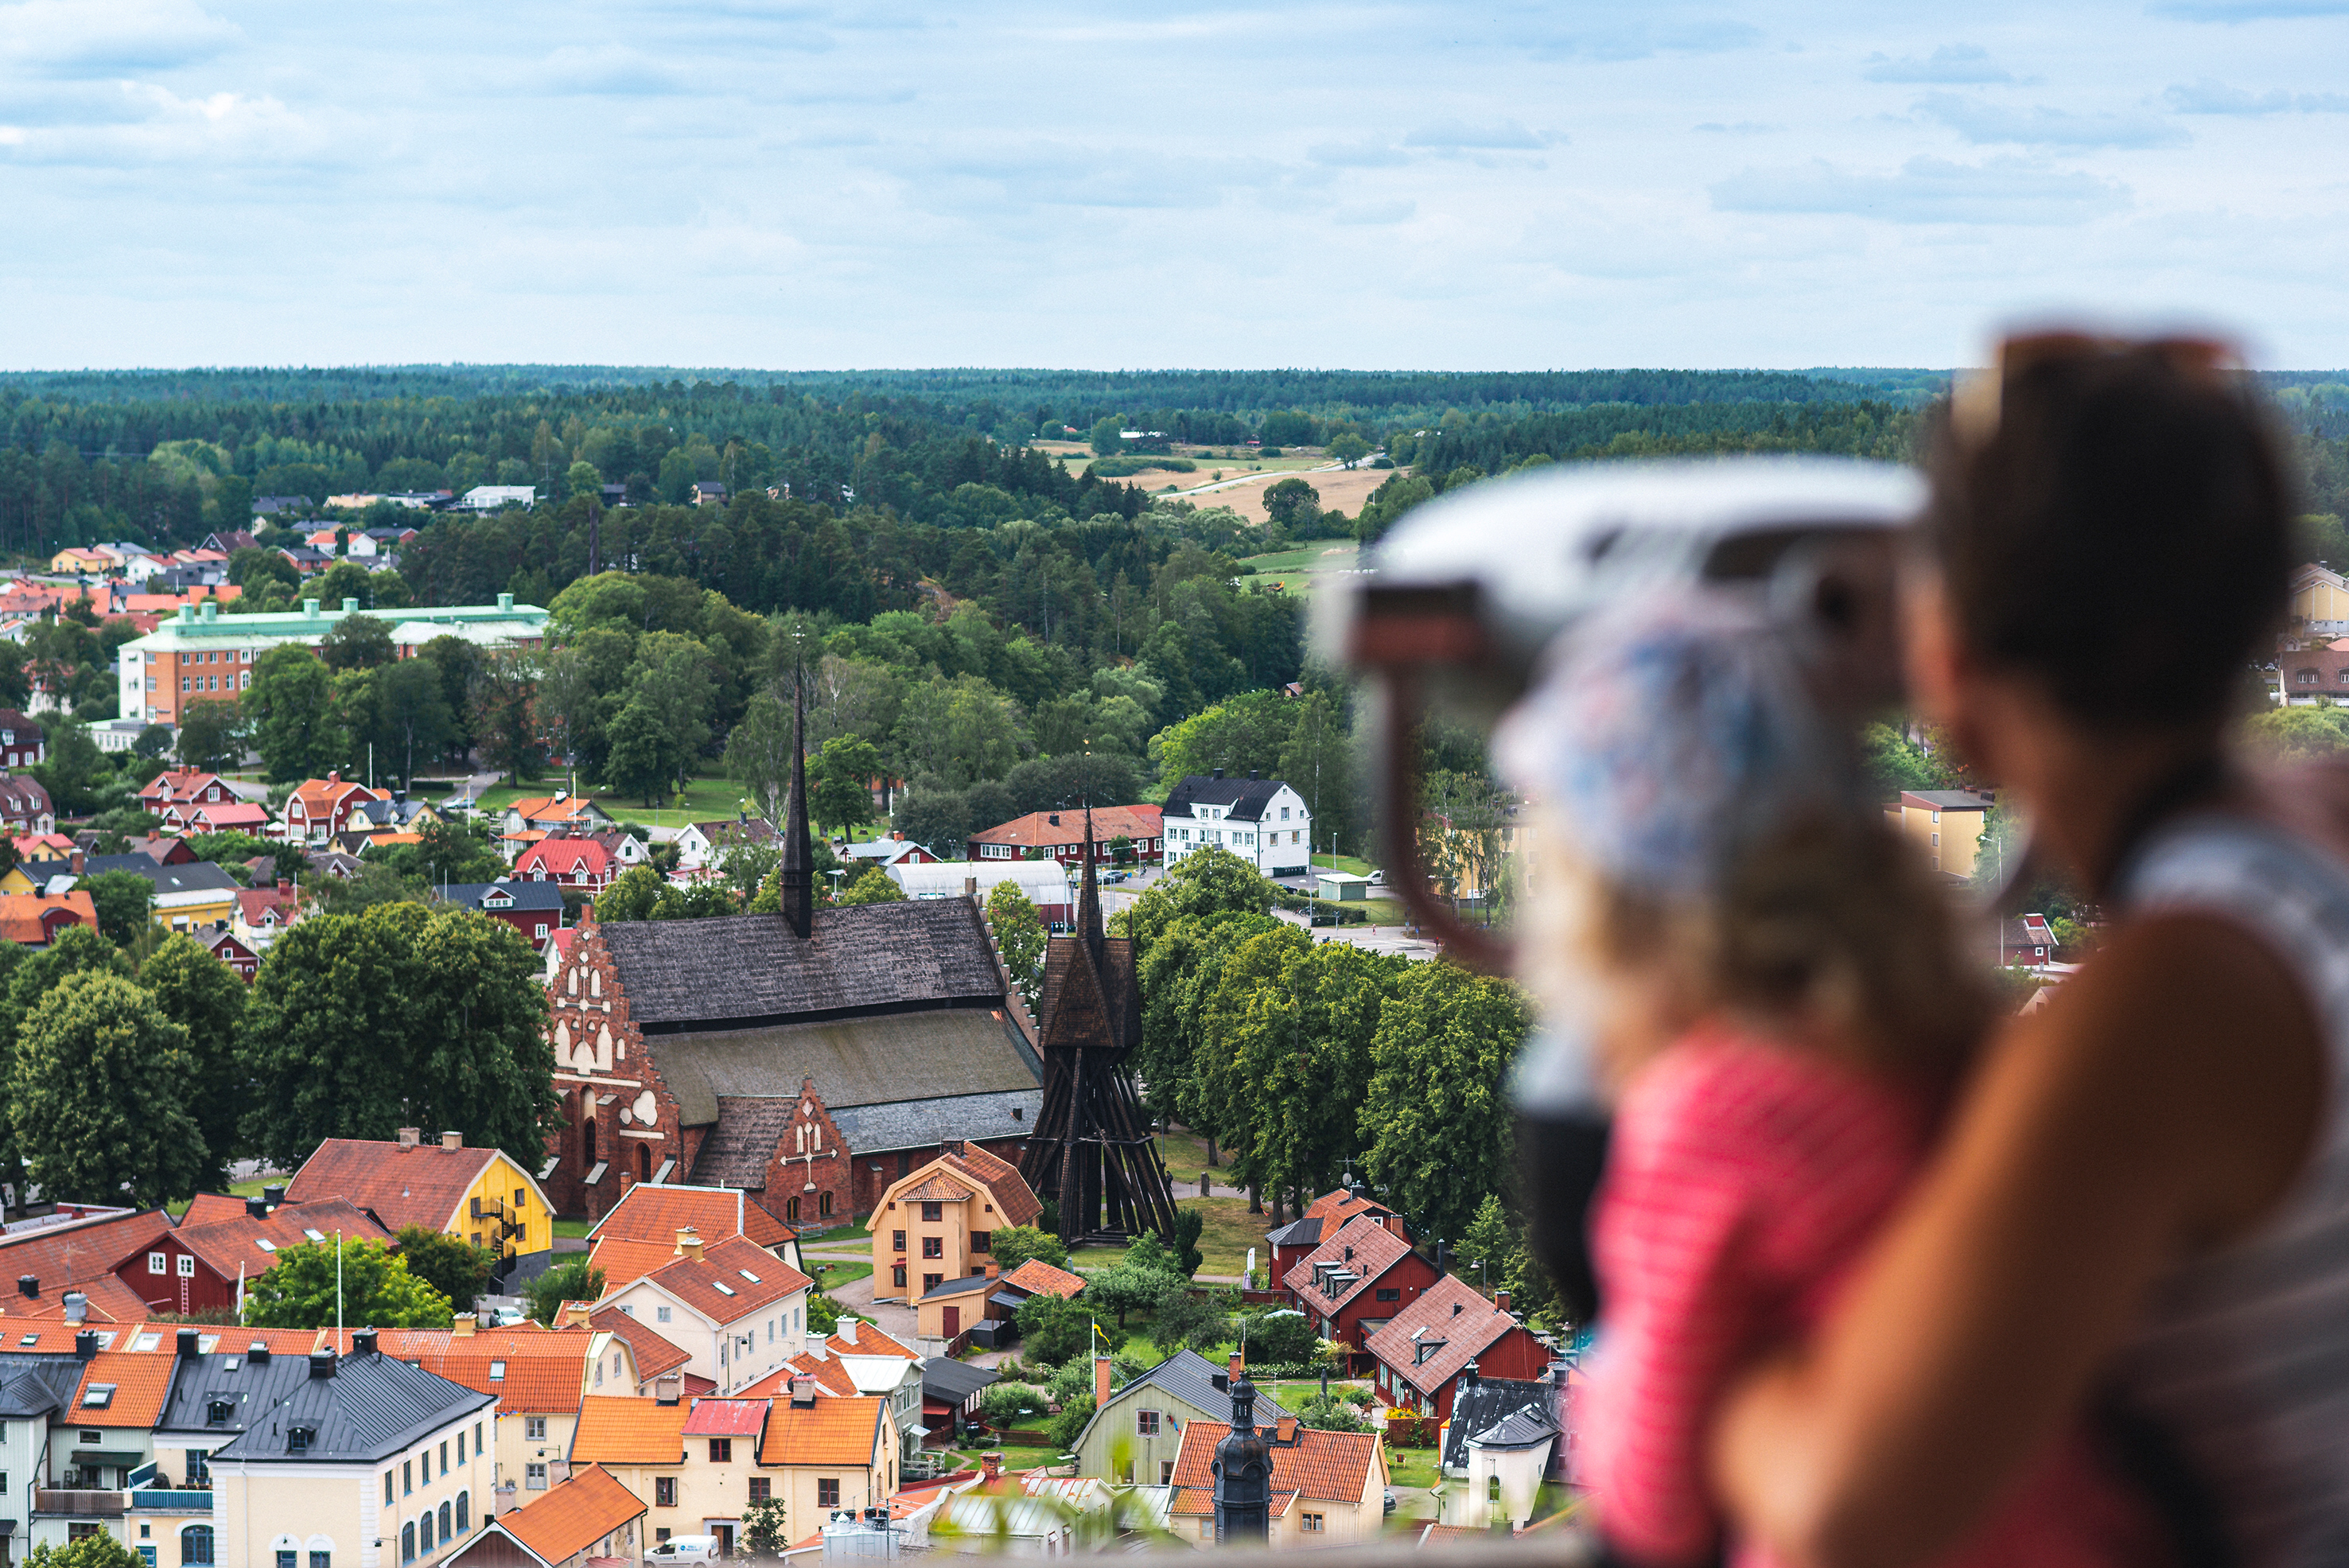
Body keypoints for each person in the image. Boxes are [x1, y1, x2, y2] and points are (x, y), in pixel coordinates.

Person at [1712, 335, 2340, 1568]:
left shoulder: (2167, 1007)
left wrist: (1694, 1361)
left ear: (1947, 656)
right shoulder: (2321, 832)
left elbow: (1848, 1501)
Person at [1497, 588, 2167, 1566]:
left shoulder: (1718, 1109)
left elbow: (1652, 1494)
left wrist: (1603, 1377)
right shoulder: (1941, 1045)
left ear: (1614, 905)